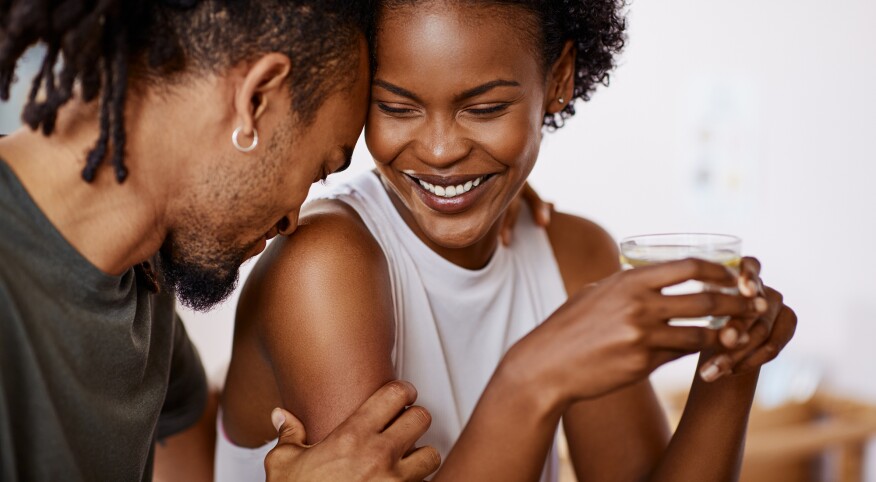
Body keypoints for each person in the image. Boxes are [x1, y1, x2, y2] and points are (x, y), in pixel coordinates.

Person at [219, 1, 797, 481]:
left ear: (560, 78)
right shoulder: (323, 267)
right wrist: (535, 376)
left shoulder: (572, 254)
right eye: (396, 107)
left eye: (485, 108)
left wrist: (733, 365)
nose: (440, 150)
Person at [0, 1, 449, 480]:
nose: (293, 220)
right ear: (254, 100)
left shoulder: (141, 267)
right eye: (320, 169)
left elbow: (181, 430)